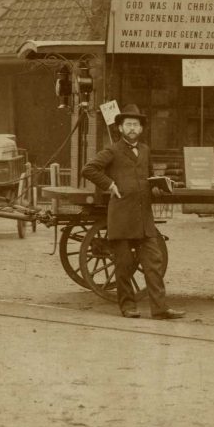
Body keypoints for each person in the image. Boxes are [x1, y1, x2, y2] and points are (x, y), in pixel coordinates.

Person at [81, 104, 185, 320]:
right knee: (124, 265)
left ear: (141, 129)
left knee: (153, 264)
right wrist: (109, 185)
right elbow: (89, 169)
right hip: (121, 217)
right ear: (120, 128)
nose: (132, 128)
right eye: (127, 124)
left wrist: (157, 186)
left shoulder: (145, 150)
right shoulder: (112, 150)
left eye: (135, 125)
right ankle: (128, 307)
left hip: (144, 219)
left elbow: (148, 176)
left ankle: (160, 309)